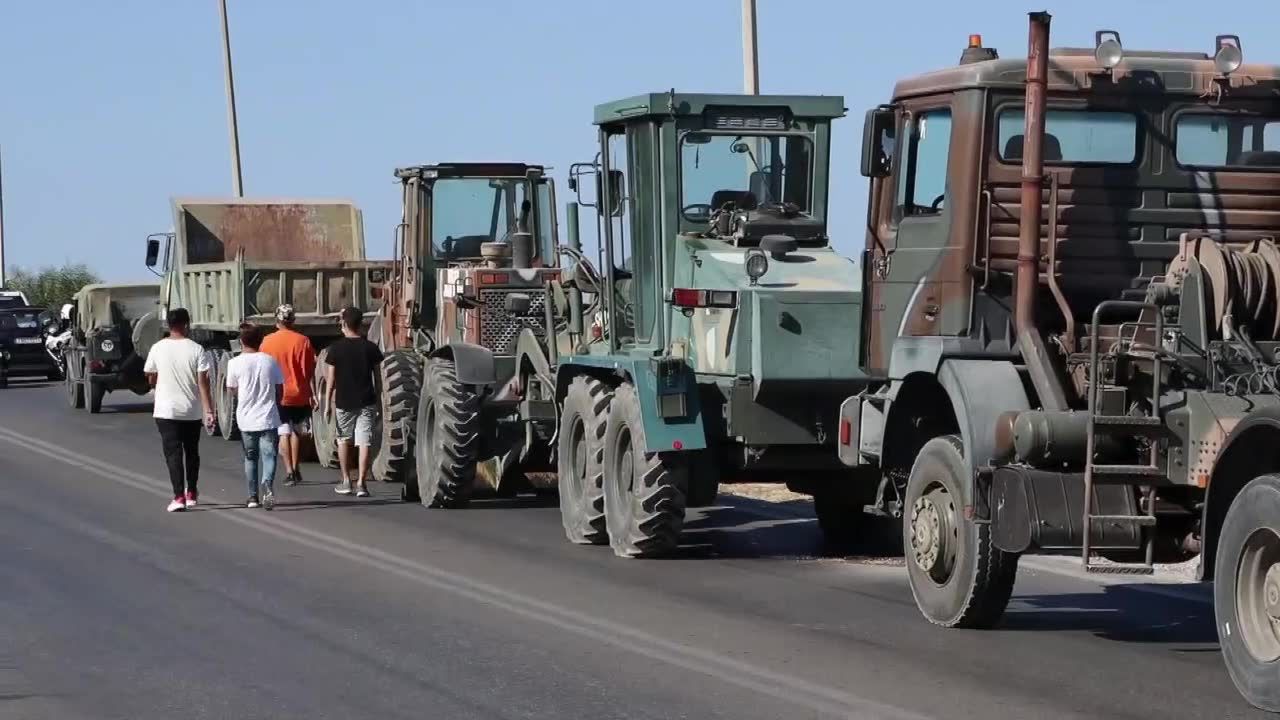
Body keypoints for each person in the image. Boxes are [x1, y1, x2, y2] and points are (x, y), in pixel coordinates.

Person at [144, 308, 215, 512]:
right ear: (187, 324)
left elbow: (150, 375)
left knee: (173, 454)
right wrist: (209, 411)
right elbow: (203, 383)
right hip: (191, 411)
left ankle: (178, 497)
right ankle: (191, 492)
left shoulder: (157, 348)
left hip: (166, 411)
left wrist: (156, 380)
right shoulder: (197, 349)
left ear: (168, 325)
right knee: (192, 452)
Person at [324, 306, 382, 497]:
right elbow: (378, 379)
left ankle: (346, 480)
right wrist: (379, 402)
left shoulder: (335, 349)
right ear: (361, 324)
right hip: (367, 401)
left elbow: (331, 380)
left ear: (344, 324)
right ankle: (362, 484)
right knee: (364, 442)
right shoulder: (371, 348)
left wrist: (327, 404)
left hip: (343, 402)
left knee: (343, 440)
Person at [226, 323, 285, 510]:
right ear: (260, 341)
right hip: (268, 417)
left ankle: (252, 497)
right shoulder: (270, 361)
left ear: (241, 341)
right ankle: (267, 484)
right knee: (269, 455)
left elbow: (231, 389)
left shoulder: (234, 363)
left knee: (250, 457)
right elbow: (279, 388)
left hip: (246, 418)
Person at [261, 304, 316, 486]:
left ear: (276, 320)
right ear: (293, 321)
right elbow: (309, 370)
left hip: (278, 394)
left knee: (283, 431)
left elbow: (263, 369)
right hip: (299, 393)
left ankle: (289, 472)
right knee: (296, 432)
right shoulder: (303, 341)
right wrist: (312, 392)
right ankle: (296, 467)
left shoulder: (267, 342)